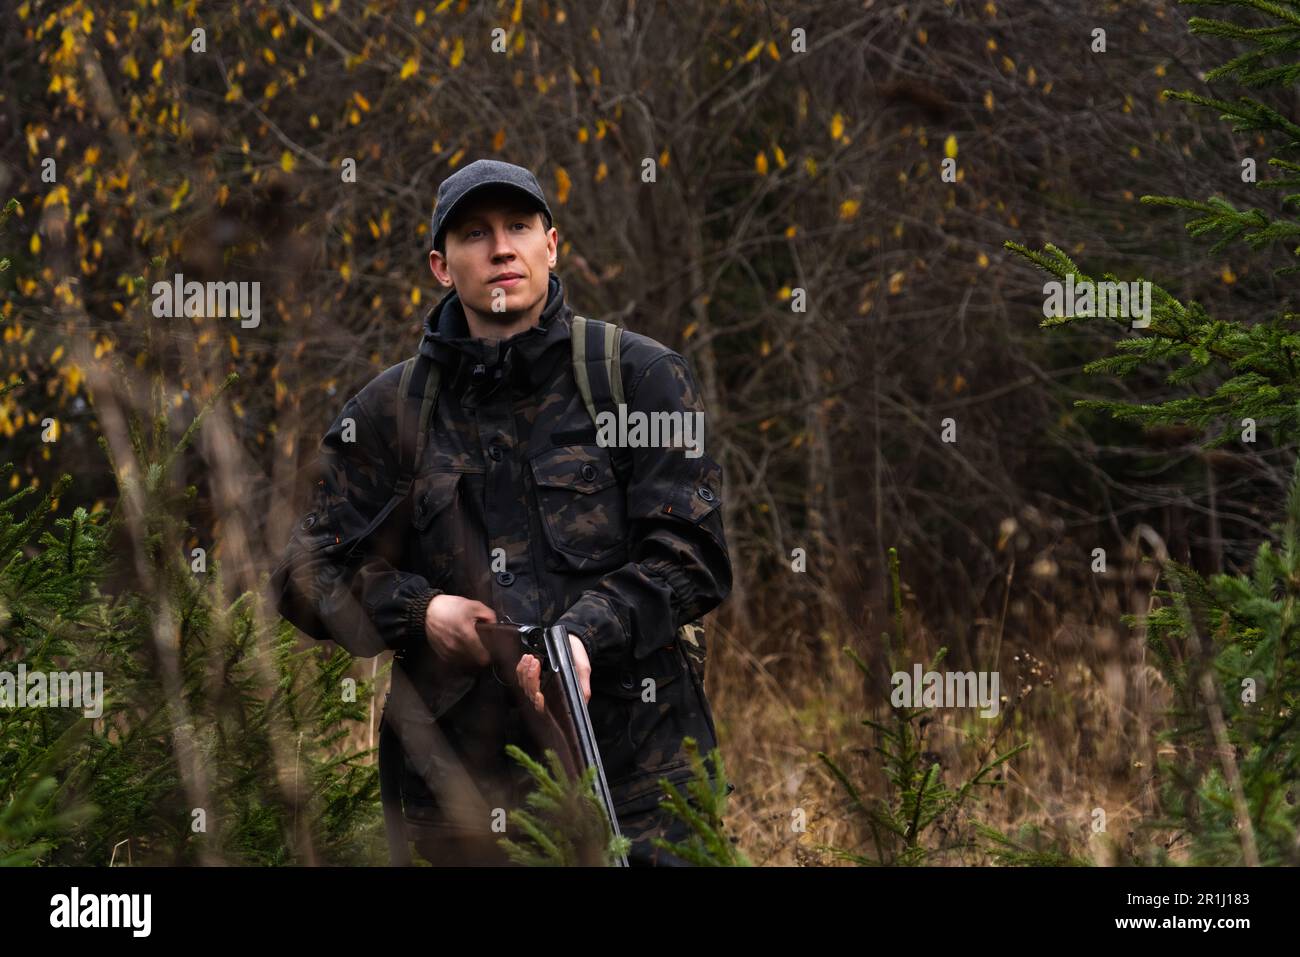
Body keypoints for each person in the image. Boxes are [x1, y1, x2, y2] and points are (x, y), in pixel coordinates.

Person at [271, 158, 732, 866]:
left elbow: (692, 555)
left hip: (639, 782)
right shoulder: (392, 411)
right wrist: (420, 612)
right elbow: (303, 574)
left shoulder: (637, 378)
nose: (501, 248)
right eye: (475, 233)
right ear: (440, 265)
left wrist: (583, 634)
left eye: (518, 226)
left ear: (552, 244)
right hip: (455, 802)